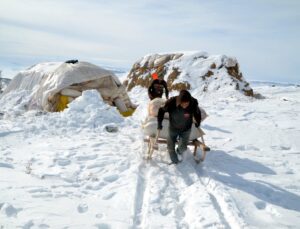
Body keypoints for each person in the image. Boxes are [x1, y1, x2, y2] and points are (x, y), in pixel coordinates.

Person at [157, 90, 201, 164]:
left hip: (186, 129)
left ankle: (178, 152)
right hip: (173, 128)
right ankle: (175, 162)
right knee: (171, 148)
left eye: (187, 104)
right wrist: (159, 123)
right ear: (179, 101)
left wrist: (198, 122)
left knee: (183, 147)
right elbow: (161, 111)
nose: (185, 106)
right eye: (183, 104)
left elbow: (197, 112)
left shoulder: (193, 102)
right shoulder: (171, 102)